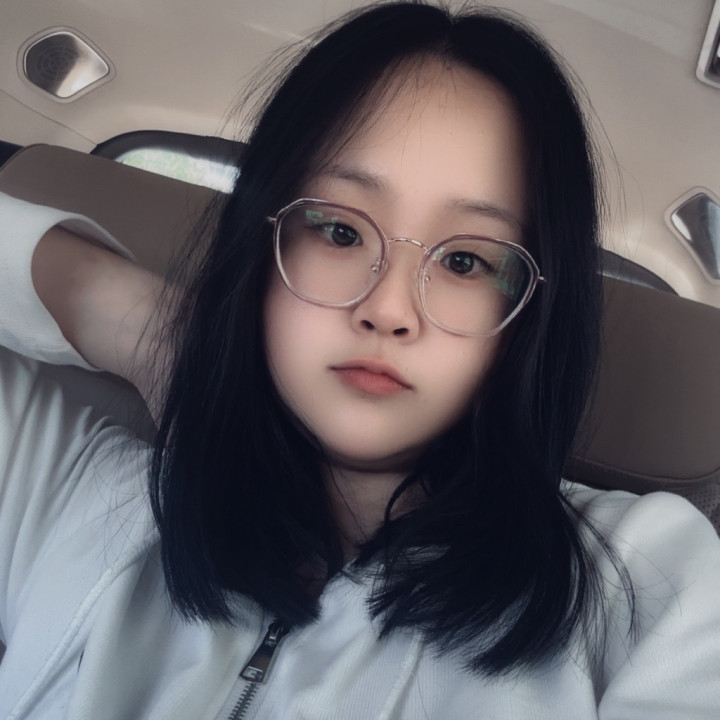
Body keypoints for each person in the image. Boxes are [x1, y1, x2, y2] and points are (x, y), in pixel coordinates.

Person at [1, 2, 719, 718]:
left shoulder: (649, 586)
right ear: (261, 246)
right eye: (339, 231)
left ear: (527, 315)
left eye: (465, 261)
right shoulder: (70, 490)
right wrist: (157, 333)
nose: (389, 308)